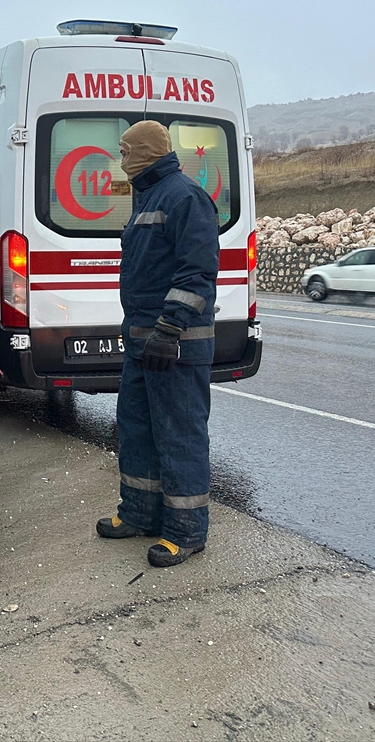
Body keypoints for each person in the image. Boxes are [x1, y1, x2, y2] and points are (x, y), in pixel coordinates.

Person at [96, 121, 219, 568]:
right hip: (142, 344)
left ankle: (185, 533)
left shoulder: (184, 196)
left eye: (126, 151)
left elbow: (198, 273)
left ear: (145, 152)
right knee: (137, 430)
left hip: (175, 344)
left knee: (179, 435)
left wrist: (170, 329)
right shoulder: (149, 196)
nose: (121, 158)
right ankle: (139, 514)